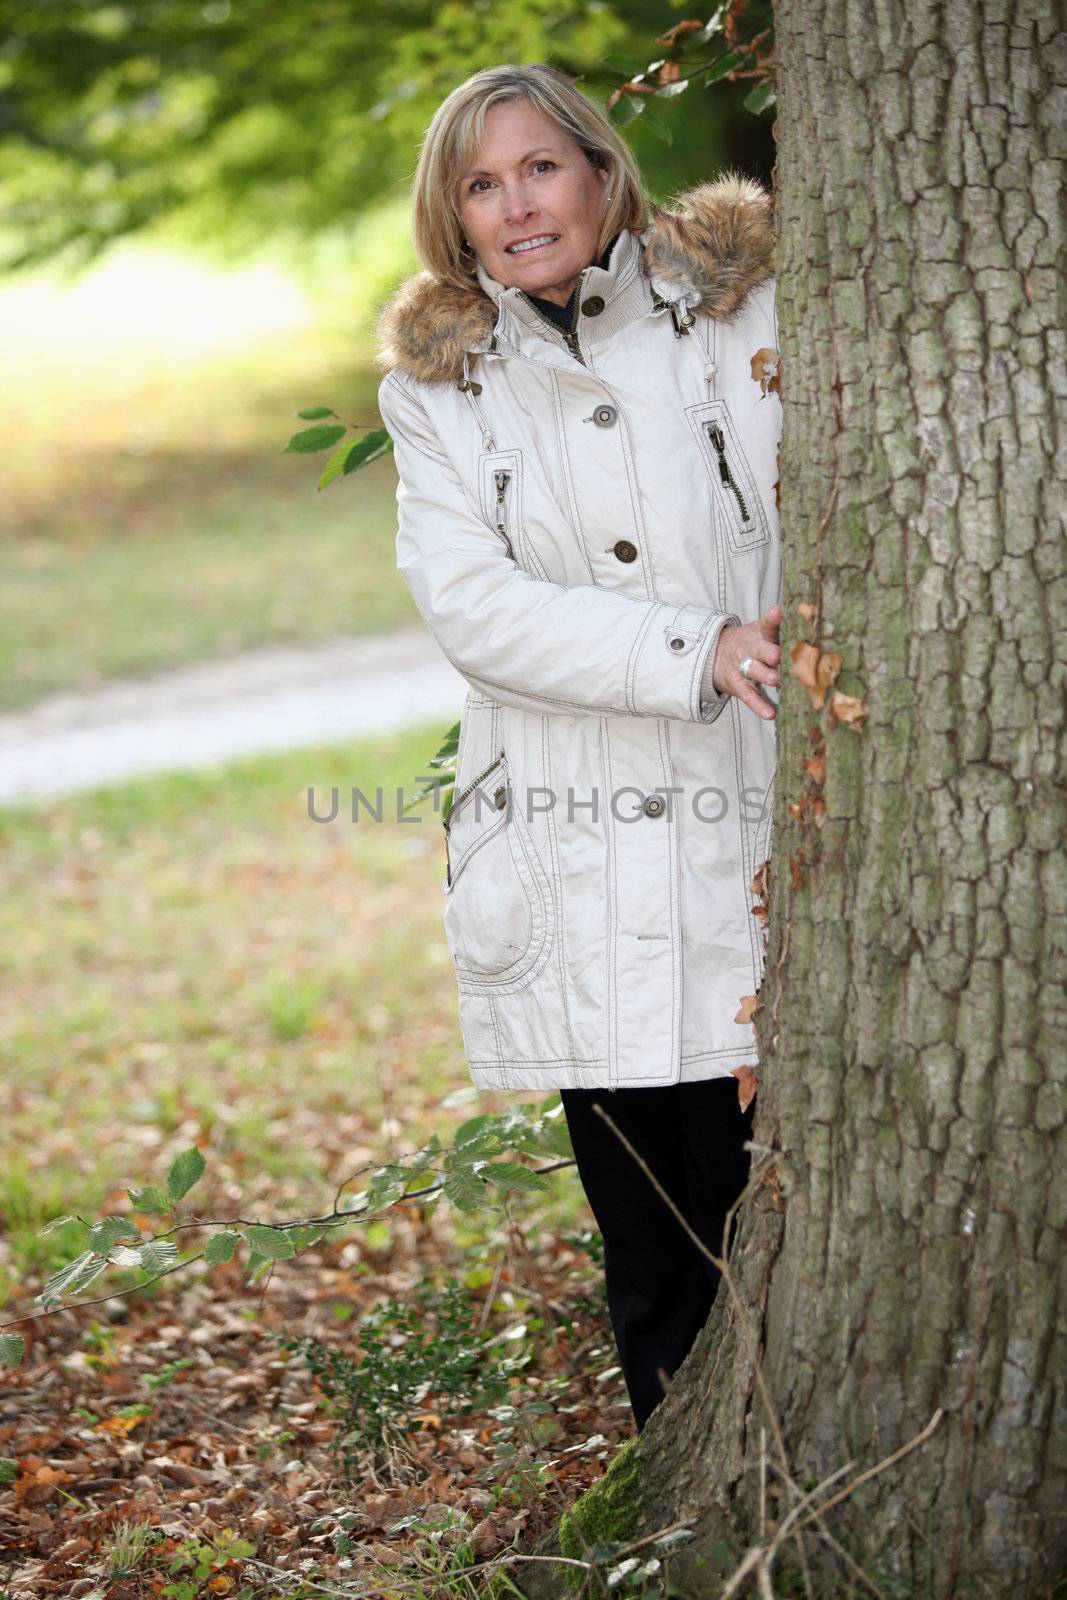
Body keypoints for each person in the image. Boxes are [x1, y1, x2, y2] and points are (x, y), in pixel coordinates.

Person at [375, 63, 782, 1432]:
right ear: (456, 221)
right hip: (575, 847)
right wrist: (695, 650)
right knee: (652, 1240)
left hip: (753, 816)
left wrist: (755, 642)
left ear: (603, 174)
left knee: (780, 1197)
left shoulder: (733, 313)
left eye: (539, 167)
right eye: (480, 186)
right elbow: (473, 609)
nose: (516, 205)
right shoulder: (441, 390)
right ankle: (681, 1488)